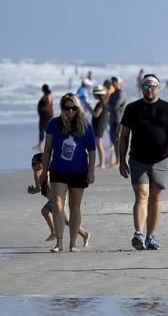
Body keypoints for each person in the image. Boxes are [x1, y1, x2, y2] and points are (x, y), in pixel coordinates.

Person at [119, 74, 168, 251]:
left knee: (155, 196)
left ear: (158, 88)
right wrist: (121, 161)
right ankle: (138, 233)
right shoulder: (132, 109)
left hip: (161, 159)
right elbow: (123, 136)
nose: (149, 89)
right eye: (146, 86)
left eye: (153, 86)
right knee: (141, 194)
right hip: (137, 159)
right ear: (142, 88)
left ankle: (151, 236)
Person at [40, 93, 96, 253]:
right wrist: (44, 171)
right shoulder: (54, 124)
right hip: (58, 169)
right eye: (67, 108)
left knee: (75, 207)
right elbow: (48, 149)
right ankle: (59, 242)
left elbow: (92, 150)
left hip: (79, 171)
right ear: (62, 108)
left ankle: (73, 243)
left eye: (74, 108)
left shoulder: (85, 125)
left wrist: (91, 170)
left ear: (78, 108)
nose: (70, 111)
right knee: (57, 203)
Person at [28, 153, 90, 245]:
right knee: (45, 211)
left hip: (56, 200)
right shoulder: (49, 171)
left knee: (67, 221)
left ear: (40, 164)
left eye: (33, 164)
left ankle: (85, 234)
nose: (32, 166)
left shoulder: (37, 173)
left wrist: (31, 191)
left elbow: (38, 188)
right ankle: (53, 230)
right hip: (56, 198)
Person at [108, 76, 127, 167]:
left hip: (119, 120)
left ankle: (119, 161)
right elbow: (108, 106)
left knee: (118, 141)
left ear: (119, 83)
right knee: (114, 141)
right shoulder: (112, 94)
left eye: (115, 82)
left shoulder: (121, 93)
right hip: (112, 120)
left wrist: (109, 106)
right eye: (112, 82)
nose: (113, 84)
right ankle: (117, 160)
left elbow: (115, 106)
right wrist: (109, 106)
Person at [90, 84, 109, 168]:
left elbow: (96, 114)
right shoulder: (102, 102)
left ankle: (102, 163)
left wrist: (88, 106)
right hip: (99, 124)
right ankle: (101, 163)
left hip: (99, 125)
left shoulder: (102, 103)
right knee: (98, 144)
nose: (94, 95)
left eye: (95, 93)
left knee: (99, 144)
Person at [36, 84, 54, 152]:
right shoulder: (45, 94)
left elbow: (48, 104)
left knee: (46, 129)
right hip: (43, 115)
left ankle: (50, 143)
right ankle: (41, 143)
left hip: (47, 115)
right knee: (41, 128)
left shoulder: (48, 95)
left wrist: (44, 109)